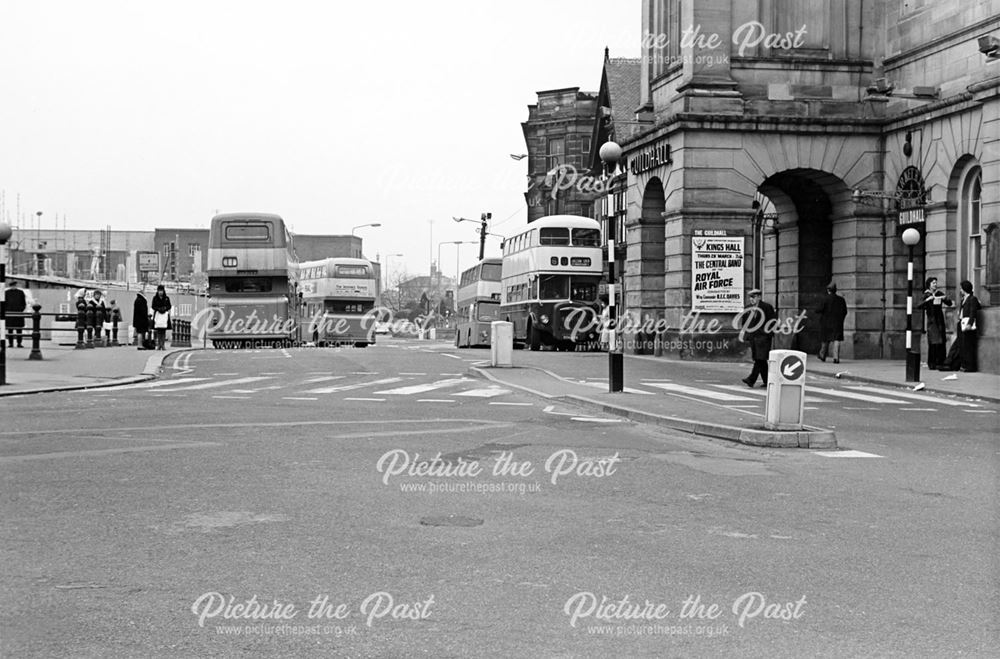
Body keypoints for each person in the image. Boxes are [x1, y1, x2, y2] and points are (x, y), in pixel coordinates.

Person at [740, 288, 776, 387]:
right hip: (753, 338)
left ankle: (751, 379)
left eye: (754, 297)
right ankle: (767, 380)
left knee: (760, 358)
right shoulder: (748, 309)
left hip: (763, 338)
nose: (752, 299)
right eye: (750, 297)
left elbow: (773, 321)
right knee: (760, 359)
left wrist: (766, 332)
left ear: (759, 297)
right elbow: (744, 322)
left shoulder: (766, 307)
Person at [916, 276, 953, 370]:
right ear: (929, 285)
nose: (935, 285)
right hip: (932, 320)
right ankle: (932, 363)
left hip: (940, 319)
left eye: (936, 283)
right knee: (933, 341)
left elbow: (949, 303)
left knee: (941, 341)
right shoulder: (926, 295)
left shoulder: (939, 293)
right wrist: (927, 300)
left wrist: (945, 298)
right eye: (933, 283)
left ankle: (941, 361)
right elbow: (919, 306)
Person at [815, 282, 848, 364]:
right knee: (837, 340)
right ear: (835, 290)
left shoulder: (825, 299)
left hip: (826, 323)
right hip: (837, 323)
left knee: (825, 339)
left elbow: (818, 310)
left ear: (828, 290)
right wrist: (841, 319)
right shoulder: (841, 300)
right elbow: (845, 311)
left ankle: (822, 355)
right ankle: (836, 358)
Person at [956, 280, 981, 372]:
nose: (960, 290)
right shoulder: (963, 299)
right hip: (961, 323)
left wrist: (970, 324)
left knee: (969, 346)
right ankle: (964, 365)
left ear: (964, 289)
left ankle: (970, 366)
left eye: (961, 288)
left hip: (968, 324)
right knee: (963, 345)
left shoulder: (972, 299)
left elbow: (972, 312)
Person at [4, 280, 27, 348]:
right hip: (10, 313)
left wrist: (21, 309)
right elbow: (4, 303)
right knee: (10, 329)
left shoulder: (20, 292)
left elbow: (23, 303)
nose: (13, 287)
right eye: (12, 286)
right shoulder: (6, 293)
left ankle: (19, 343)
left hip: (17, 313)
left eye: (14, 285)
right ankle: (11, 343)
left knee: (19, 329)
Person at [151, 285, 172, 350]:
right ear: (157, 291)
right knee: (158, 330)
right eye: (159, 291)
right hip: (158, 315)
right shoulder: (155, 298)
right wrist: (158, 309)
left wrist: (165, 308)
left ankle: (163, 344)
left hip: (164, 316)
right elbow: (153, 306)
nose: (160, 292)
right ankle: (159, 344)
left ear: (163, 291)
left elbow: (169, 306)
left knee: (163, 330)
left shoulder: (166, 298)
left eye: (161, 291)